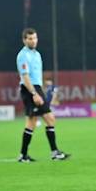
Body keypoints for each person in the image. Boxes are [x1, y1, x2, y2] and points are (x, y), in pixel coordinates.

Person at [16, 28, 69, 162]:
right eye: (30, 39)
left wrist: (40, 90)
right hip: (29, 89)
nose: (33, 41)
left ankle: (24, 155)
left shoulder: (37, 54)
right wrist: (34, 93)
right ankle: (53, 153)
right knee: (45, 119)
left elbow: (36, 76)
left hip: (36, 88)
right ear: (24, 40)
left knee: (35, 122)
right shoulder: (23, 55)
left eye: (35, 38)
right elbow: (25, 77)